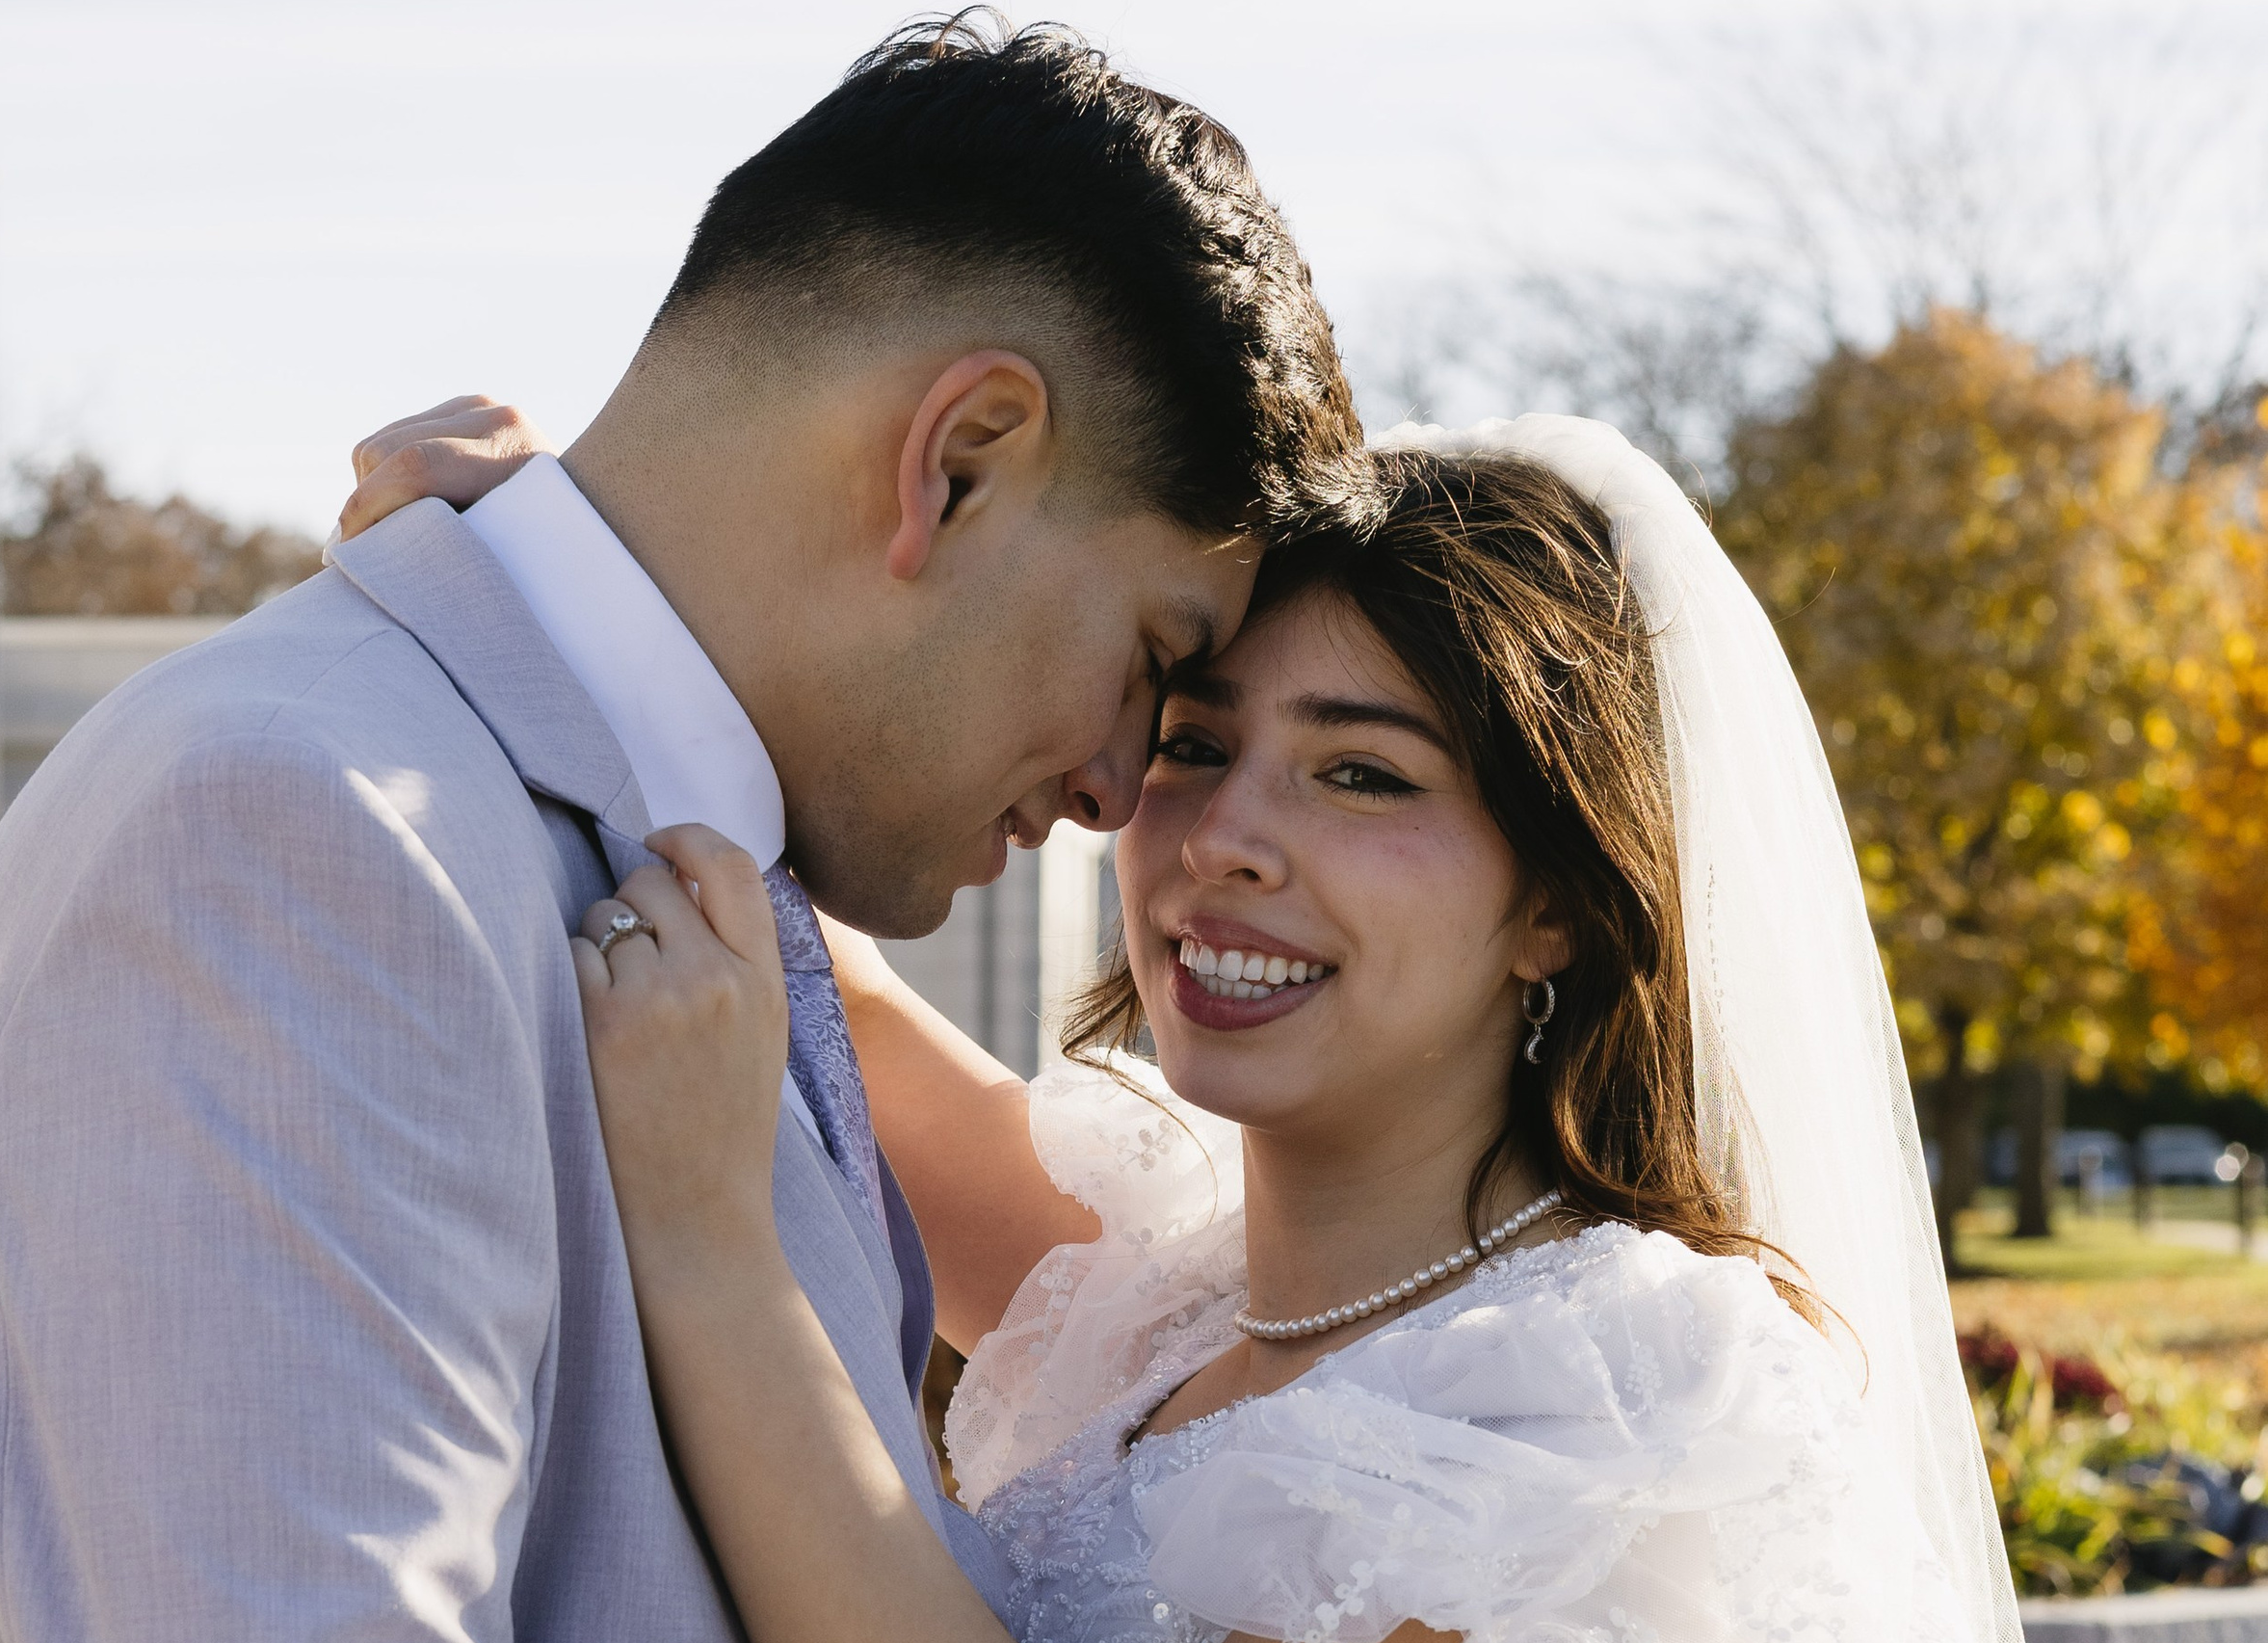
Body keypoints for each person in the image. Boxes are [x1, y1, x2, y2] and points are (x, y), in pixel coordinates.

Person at [0, 17, 1367, 1640]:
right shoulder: (298, 841)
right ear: (959, 463)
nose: (1122, 788)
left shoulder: (687, 892)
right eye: (1155, 660)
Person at [543, 417, 2022, 1641]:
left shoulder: (1597, 1406)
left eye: (1364, 775)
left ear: (1555, 904)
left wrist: (706, 1235)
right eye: (1193, 745)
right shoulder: (1156, 1302)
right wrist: (549, 542)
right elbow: (816, 970)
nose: (1224, 838)